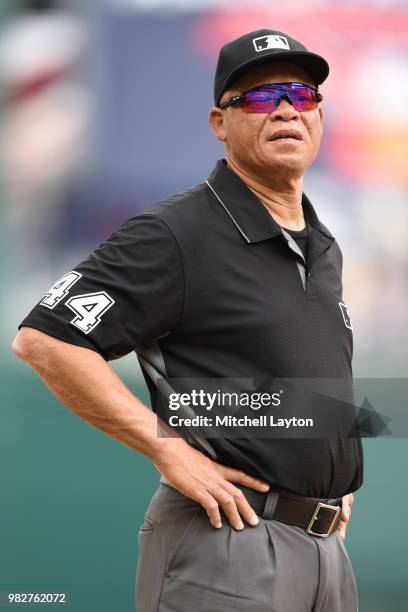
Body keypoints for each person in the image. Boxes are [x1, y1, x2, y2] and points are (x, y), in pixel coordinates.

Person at [13, 28, 363, 612]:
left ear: (320, 118)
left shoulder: (321, 243)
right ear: (218, 123)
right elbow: (45, 341)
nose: (284, 109)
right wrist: (168, 449)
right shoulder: (176, 232)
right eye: (257, 97)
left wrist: (328, 476)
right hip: (230, 540)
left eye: (301, 97)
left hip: (324, 549)